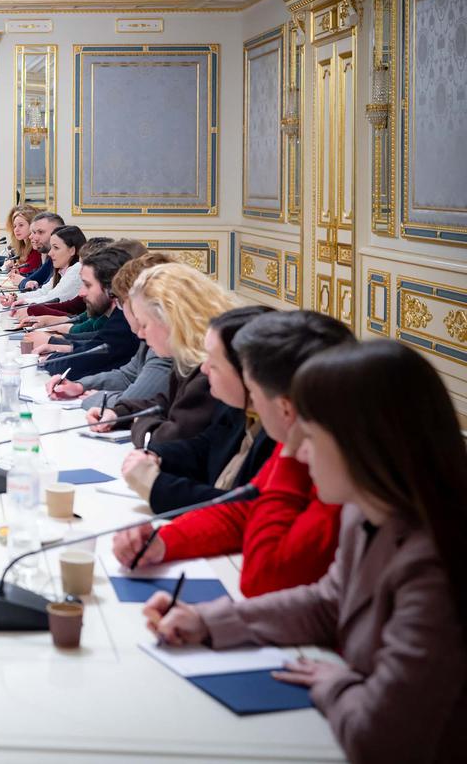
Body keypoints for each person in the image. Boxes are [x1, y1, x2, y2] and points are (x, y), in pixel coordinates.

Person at [145, 340, 467, 763]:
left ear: (366, 445)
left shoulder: (434, 564)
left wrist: (336, 682)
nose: (295, 452)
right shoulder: (365, 513)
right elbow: (327, 602)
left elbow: (381, 737)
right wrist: (207, 620)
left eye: (310, 436)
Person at [114, 309, 349, 595]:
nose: (203, 368)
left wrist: (288, 454)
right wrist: (163, 541)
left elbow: (261, 576)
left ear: (286, 408)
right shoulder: (305, 442)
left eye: (254, 390)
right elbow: (242, 512)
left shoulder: (338, 472)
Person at [117, 306, 275, 512]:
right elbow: (206, 447)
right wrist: (156, 456)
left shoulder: (278, 431)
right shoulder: (238, 408)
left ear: (246, 372)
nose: (204, 368)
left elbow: (246, 509)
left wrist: (156, 486)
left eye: (215, 362)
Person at [90, 262, 231, 446]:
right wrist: (120, 413)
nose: (140, 333)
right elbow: (164, 403)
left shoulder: (208, 370)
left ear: (171, 319)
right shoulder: (187, 360)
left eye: (145, 325)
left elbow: (171, 439)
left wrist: (142, 425)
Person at [45, 252, 173, 410]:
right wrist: (79, 386)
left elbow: (132, 403)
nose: (140, 333)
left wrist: (96, 398)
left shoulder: (167, 342)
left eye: (119, 301)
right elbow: (127, 375)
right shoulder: (153, 333)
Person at [21, 248, 140, 381]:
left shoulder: (125, 321)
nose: (81, 292)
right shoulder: (119, 315)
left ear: (112, 288)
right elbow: (95, 344)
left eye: (87, 285)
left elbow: (81, 364)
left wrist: (48, 359)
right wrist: (58, 346)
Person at [14, 224, 85, 309]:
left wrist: (23, 302)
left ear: (72, 250)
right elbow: (44, 292)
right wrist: (15, 297)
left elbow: (52, 299)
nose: (50, 253)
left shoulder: (77, 269)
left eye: (56, 248)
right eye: (51, 248)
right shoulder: (62, 270)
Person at [16, 212, 64, 290]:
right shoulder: (50, 257)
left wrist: (23, 282)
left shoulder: (61, 260)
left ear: (57, 233)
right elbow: (37, 278)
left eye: (40, 232)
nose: (31, 237)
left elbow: (44, 291)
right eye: (33, 232)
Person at [1, 204, 40, 275]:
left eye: (21, 225)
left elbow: (24, 273)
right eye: (14, 226)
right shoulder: (20, 247)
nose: (16, 229)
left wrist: (14, 269)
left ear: (32, 225)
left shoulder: (36, 250)